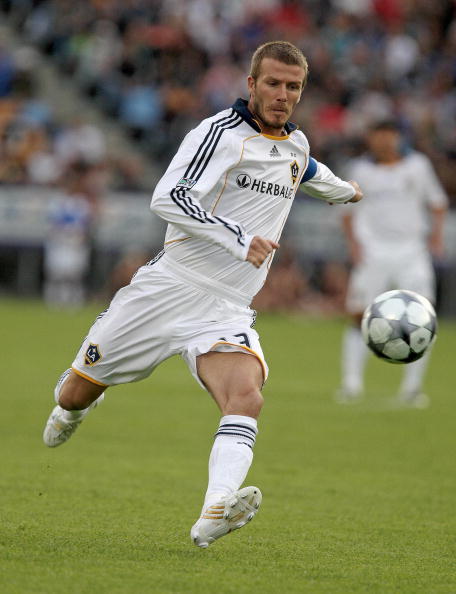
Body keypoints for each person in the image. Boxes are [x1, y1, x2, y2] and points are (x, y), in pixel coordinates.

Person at [42, 41, 363, 548]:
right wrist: (239, 238)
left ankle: (216, 508)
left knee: (246, 396)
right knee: (74, 392)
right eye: (274, 83)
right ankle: (74, 405)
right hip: (168, 289)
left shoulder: (296, 145)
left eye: (293, 87)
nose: (283, 95)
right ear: (251, 84)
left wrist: (347, 190)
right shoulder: (218, 134)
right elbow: (167, 197)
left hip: (226, 308)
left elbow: (310, 172)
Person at [337, 121, 448, 408]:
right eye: (378, 135)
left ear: (398, 137)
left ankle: (412, 389)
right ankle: (351, 384)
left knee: (422, 318)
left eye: (390, 135)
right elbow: (347, 212)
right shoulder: (361, 170)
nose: (385, 141)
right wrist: (353, 245)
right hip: (372, 251)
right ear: (371, 139)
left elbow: (437, 202)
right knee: (358, 314)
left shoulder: (418, 166)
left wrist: (435, 238)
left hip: (412, 251)